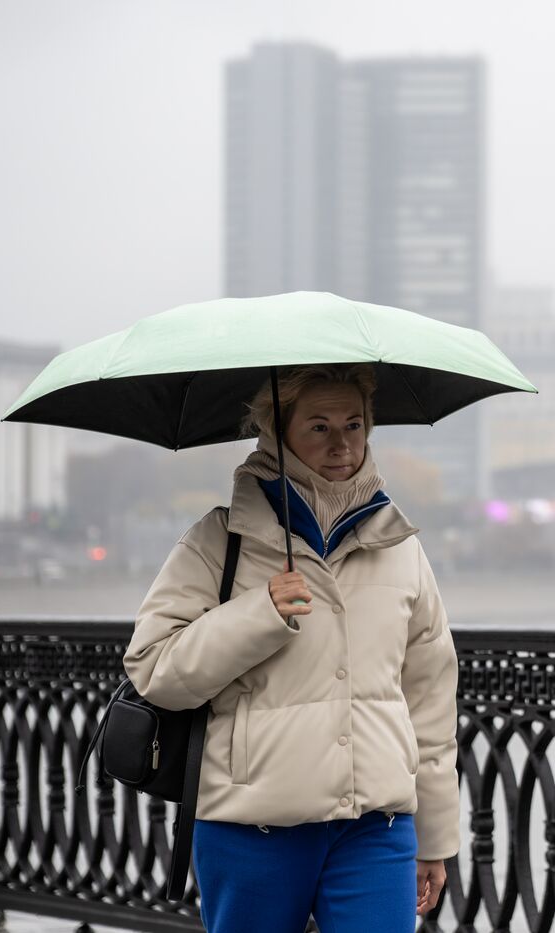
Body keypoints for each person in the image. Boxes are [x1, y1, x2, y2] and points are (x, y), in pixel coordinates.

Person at [123, 363, 459, 932]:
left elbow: (428, 698)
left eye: (354, 425)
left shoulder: (400, 546)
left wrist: (436, 835)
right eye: (319, 427)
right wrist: (259, 615)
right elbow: (155, 670)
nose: (342, 444)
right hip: (253, 826)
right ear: (278, 432)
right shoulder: (218, 540)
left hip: (375, 825)